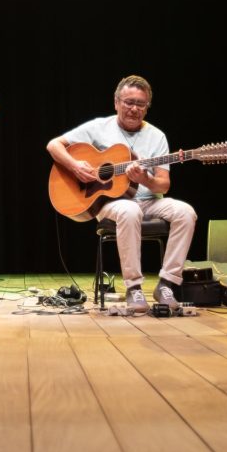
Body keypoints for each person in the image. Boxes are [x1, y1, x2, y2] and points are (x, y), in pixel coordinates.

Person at [47, 74, 197, 314]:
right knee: (129, 209)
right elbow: (53, 145)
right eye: (128, 102)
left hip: (149, 201)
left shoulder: (157, 136)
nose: (134, 109)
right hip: (111, 203)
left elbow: (163, 186)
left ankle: (167, 283)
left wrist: (145, 179)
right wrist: (76, 166)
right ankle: (134, 287)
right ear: (116, 102)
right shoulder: (98, 127)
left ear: (147, 108)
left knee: (186, 212)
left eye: (140, 104)